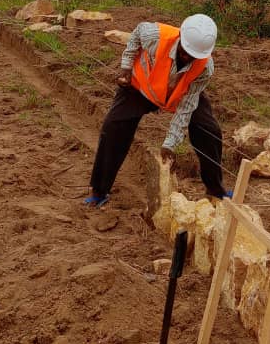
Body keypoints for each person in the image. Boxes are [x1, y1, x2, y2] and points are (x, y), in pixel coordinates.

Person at [84, 14, 228, 206]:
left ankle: (215, 190)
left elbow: (187, 107)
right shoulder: (155, 36)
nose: (187, 57)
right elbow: (136, 33)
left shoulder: (205, 68)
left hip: (178, 95)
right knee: (114, 126)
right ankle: (99, 191)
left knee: (209, 130)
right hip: (142, 86)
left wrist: (170, 143)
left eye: (193, 56)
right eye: (185, 51)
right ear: (180, 38)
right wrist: (126, 65)